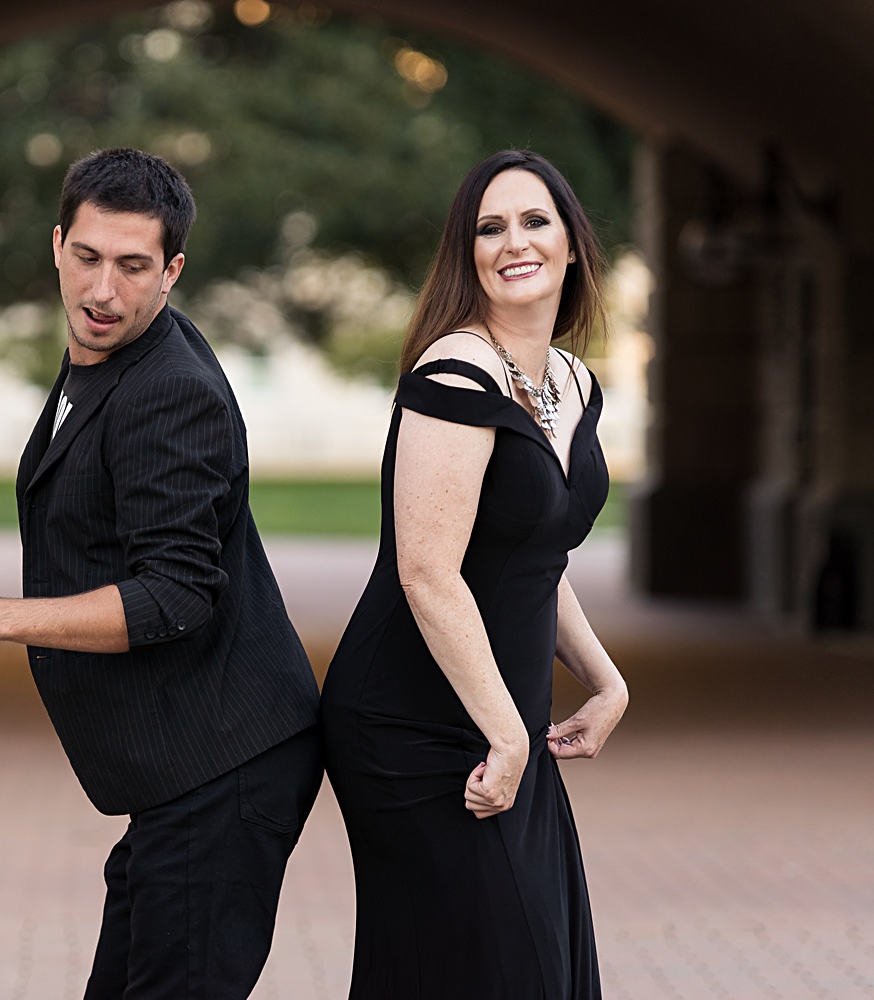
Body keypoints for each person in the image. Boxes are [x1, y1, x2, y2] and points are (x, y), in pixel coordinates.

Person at [0, 147, 323, 999]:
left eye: (134, 267)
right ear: (56, 244)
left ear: (171, 271)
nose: (104, 291)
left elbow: (177, 593)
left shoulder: (170, 391)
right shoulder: (103, 357)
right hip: (180, 776)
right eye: (89, 259)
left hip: (222, 768)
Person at [320, 149, 629, 999]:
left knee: (540, 964)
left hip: (503, 720)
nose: (513, 242)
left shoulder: (570, 381)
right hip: (413, 722)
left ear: (573, 245)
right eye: (490, 227)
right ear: (468, 253)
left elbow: (531, 555)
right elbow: (427, 572)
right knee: (497, 967)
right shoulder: (452, 372)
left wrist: (605, 681)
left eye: (535, 221)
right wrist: (508, 733)